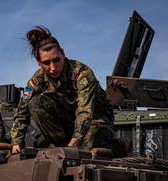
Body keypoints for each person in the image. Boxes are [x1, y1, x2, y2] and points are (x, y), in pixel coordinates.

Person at [11, 26, 114, 154]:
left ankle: (117, 146)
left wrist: (75, 142)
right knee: (35, 104)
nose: (53, 67)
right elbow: (22, 111)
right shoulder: (35, 81)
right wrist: (16, 143)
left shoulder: (82, 74)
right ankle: (61, 144)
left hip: (97, 118)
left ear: (63, 54)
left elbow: (85, 112)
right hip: (69, 120)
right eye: (46, 63)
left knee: (86, 150)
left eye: (56, 60)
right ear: (39, 62)